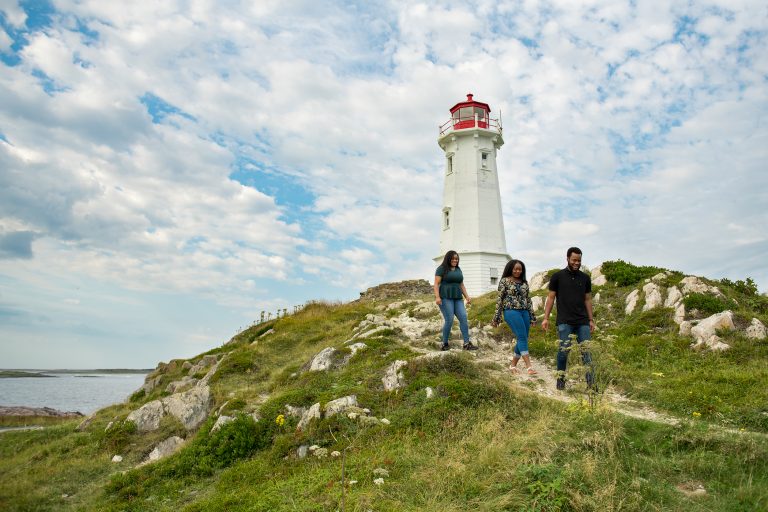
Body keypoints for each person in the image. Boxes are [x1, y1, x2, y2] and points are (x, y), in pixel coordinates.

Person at [541, 247, 595, 390]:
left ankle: (591, 383)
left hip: (582, 321)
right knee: (563, 351)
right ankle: (561, 379)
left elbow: (588, 299)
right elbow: (551, 298)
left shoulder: (585, 278)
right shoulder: (557, 277)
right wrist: (546, 318)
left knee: (587, 353)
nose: (577, 263)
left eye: (579, 260)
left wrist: (591, 320)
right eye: (574, 260)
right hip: (564, 321)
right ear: (567, 259)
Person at [491, 259, 537, 375]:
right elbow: (500, 300)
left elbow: (528, 300)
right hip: (511, 312)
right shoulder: (504, 281)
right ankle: (529, 366)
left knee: (524, 338)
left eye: (520, 269)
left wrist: (532, 316)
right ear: (510, 269)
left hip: (524, 312)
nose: (518, 271)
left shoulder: (524, 282)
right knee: (521, 337)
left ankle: (513, 365)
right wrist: (497, 317)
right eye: (515, 269)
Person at [434, 250, 477, 351]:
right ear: (448, 259)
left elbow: (461, 284)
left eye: (456, 259)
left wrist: (467, 296)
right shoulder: (441, 269)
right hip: (445, 297)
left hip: (458, 298)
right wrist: (437, 297)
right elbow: (436, 284)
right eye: (453, 259)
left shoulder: (458, 269)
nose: (455, 260)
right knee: (449, 319)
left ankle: (467, 344)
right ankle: (444, 343)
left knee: (463, 317)